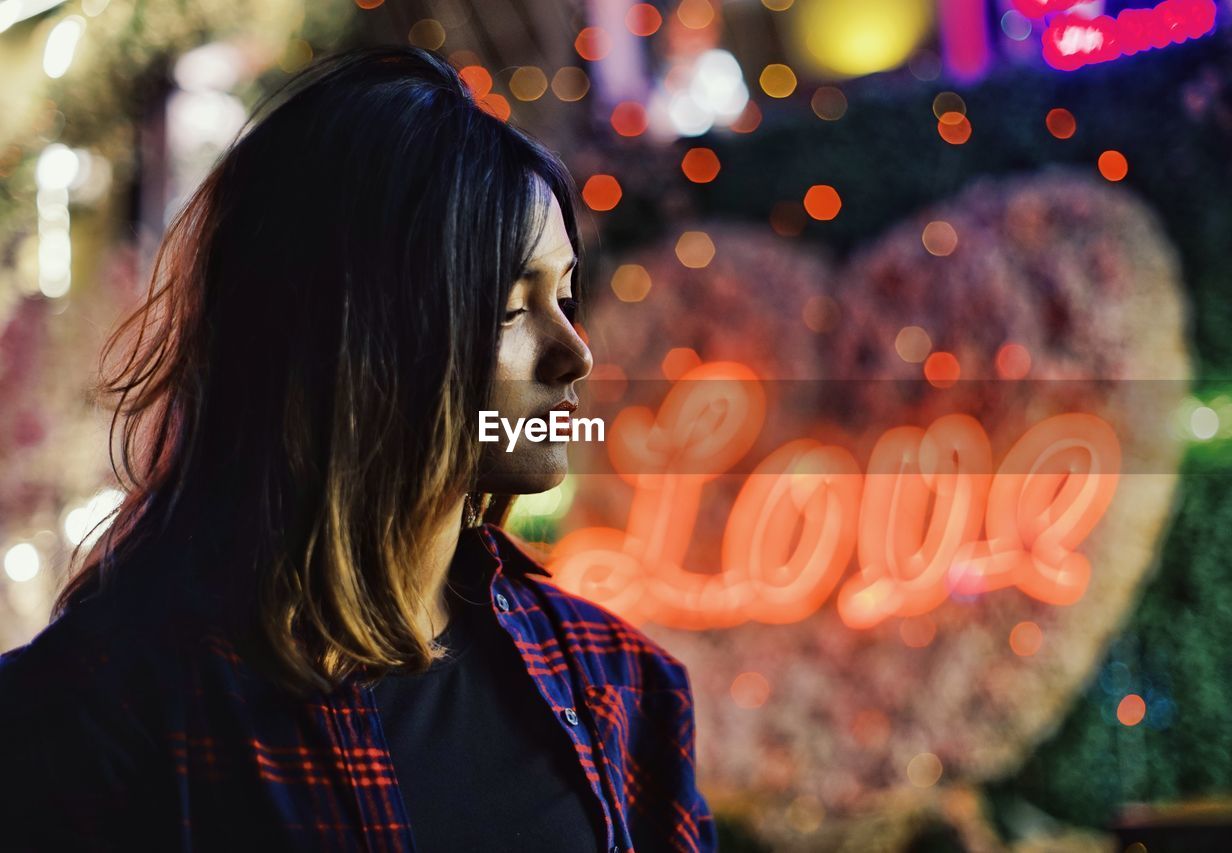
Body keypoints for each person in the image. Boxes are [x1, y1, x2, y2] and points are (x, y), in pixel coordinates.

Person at [0, 46, 717, 852]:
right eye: (510, 309)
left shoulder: (620, 688)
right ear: (360, 339)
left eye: (565, 295)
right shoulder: (101, 718)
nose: (575, 352)